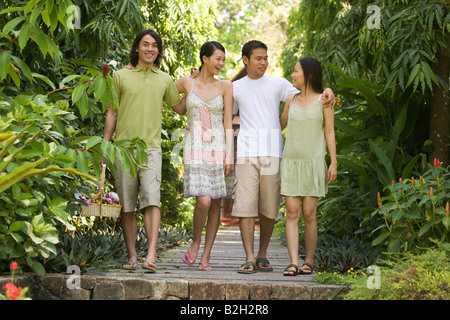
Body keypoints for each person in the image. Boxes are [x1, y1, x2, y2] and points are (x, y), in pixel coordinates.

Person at [231, 40, 335, 274]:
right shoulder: (236, 87)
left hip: (274, 153)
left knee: (269, 209)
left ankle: (262, 254)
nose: (264, 62)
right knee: (245, 207)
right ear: (246, 60)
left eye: (266, 57)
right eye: (258, 58)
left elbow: (308, 92)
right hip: (246, 153)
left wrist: (328, 90)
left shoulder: (278, 84)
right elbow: (214, 98)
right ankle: (249, 256)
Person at [103, 29, 186, 272]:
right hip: (122, 150)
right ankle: (132, 256)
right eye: (145, 44)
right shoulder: (120, 76)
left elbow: (179, 108)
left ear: (159, 51)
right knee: (127, 204)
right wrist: (105, 146)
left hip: (151, 149)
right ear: (137, 48)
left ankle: (151, 254)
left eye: (154, 45)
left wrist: (193, 85)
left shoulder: (164, 79)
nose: (150, 49)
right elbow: (112, 112)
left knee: (152, 201)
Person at [175, 41, 233, 271]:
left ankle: (206, 256)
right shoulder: (187, 82)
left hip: (218, 147)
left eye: (223, 60)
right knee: (204, 200)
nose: (221, 63)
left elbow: (228, 121)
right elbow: (170, 98)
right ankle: (196, 240)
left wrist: (230, 154)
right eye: (218, 59)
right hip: (195, 145)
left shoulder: (226, 86)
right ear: (204, 58)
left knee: (215, 203)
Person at [280, 57, 337, 276]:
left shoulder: (324, 100)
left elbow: (329, 132)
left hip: (313, 162)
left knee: (309, 213)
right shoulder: (290, 100)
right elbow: (280, 125)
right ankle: (293, 262)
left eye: (296, 72)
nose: (292, 75)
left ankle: (309, 261)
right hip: (291, 162)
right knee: (292, 212)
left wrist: (333, 162)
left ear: (309, 75)